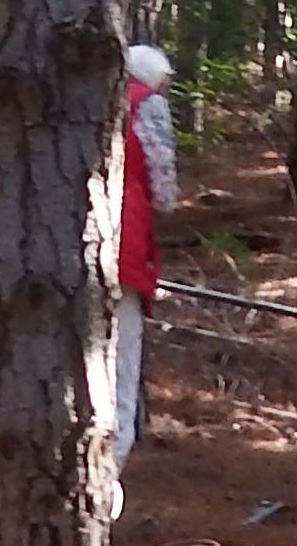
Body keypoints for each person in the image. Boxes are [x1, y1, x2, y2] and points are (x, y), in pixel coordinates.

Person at [114, 44, 179, 469]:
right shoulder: (148, 105)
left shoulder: (86, 101)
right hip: (125, 246)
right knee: (122, 367)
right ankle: (108, 472)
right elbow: (165, 192)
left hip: (66, 250)